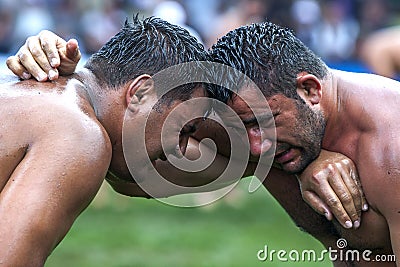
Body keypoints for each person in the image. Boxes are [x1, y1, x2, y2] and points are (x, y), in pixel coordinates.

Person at [6, 22, 368, 266]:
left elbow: (143, 181)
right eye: (184, 128)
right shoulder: (80, 135)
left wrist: (308, 160)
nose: (180, 149)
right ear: (142, 92)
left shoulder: (30, 92)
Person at [207, 21, 400, 265]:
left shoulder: (391, 149)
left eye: (266, 121)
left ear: (310, 90)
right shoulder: (278, 134)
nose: (257, 149)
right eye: (240, 129)